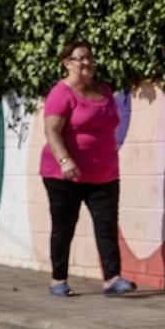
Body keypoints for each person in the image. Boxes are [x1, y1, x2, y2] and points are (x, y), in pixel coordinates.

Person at [40, 41, 136, 297]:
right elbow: (51, 130)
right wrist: (65, 160)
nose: (87, 63)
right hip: (64, 176)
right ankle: (58, 280)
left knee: (106, 226)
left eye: (90, 58)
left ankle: (112, 278)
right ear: (67, 63)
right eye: (80, 58)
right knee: (64, 227)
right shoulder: (61, 93)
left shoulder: (104, 90)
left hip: (104, 175)